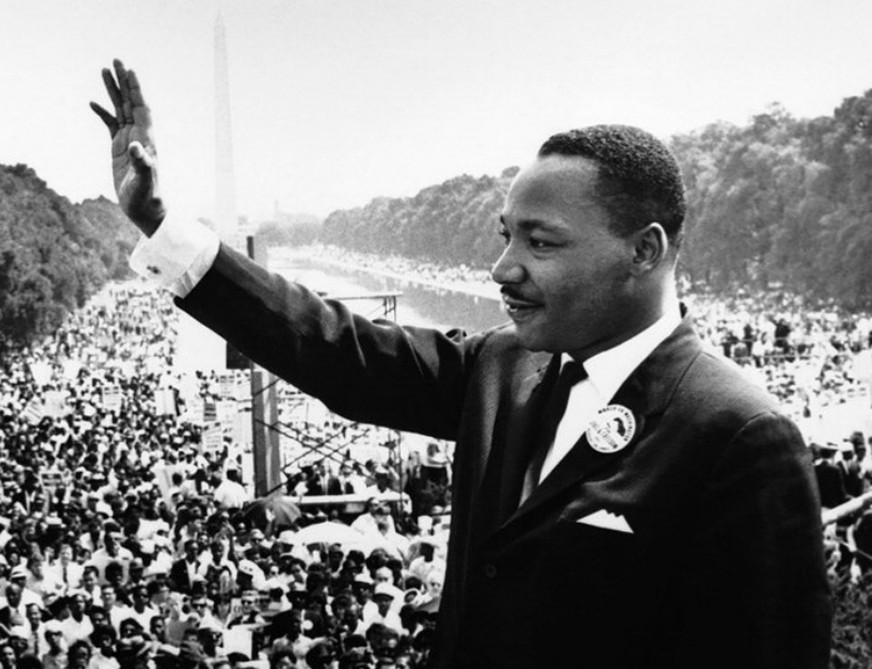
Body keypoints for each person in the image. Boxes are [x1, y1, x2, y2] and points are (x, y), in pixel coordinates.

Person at [90, 59, 830, 668]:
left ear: (645, 250)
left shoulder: (739, 435)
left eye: (540, 243)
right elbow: (330, 345)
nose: (502, 268)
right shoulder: (501, 366)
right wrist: (161, 224)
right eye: (505, 236)